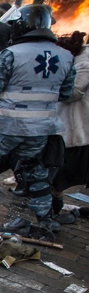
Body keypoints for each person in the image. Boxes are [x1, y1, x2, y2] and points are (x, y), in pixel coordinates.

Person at [0, 5, 75, 231]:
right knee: (34, 168)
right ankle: (45, 218)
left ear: (22, 25)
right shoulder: (66, 56)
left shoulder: (12, 54)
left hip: (7, 124)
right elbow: (66, 93)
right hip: (41, 128)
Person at [52, 31, 89, 224]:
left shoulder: (83, 64)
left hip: (78, 128)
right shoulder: (78, 60)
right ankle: (54, 204)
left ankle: (54, 206)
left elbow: (74, 92)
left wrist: (52, 86)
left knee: (64, 171)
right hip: (72, 126)